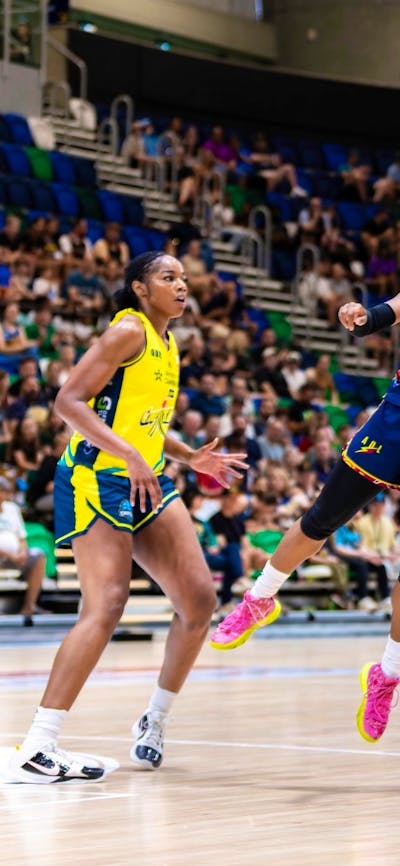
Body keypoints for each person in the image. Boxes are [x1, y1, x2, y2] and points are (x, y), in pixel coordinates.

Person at [8, 251, 247, 784]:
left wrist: (189, 456)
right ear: (140, 288)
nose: (181, 286)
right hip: (96, 477)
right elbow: (68, 401)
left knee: (199, 601)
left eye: (184, 278)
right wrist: (132, 456)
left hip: (147, 476)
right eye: (168, 277)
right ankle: (38, 744)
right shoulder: (128, 331)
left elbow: (145, 425)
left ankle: (153, 721)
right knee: (108, 604)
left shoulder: (168, 341)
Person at [210, 292, 400, 747]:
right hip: (397, 422)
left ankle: (387, 675)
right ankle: (260, 598)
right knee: (322, 518)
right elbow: (382, 315)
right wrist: (361, 317)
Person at [0, 476, 46, 623]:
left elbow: (21, 537)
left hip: (15, 555)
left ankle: (29, 605)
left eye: (4, 491)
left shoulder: (12, 508)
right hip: (4, 555)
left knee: (38, 555)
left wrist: (22, 552)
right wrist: (11, 556)